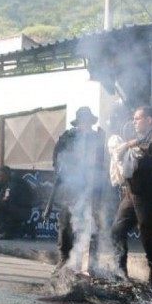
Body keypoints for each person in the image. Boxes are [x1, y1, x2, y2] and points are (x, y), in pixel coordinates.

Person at [109, 106, 152, 286]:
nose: (134, 122)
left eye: (138, 118)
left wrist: (134, 144)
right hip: (131, 192)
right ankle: (121, 271)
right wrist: (131, 143)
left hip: (147, 193)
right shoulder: (138, 139)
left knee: (147, 232)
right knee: (117, 230)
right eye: (134, 119)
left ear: (149, 120)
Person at [53, 106, 108, 269]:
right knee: (66, 223)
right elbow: (57, 157)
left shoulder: (98, 138)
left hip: (93, 186)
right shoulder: (68, 137)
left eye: (87, 121)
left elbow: (103, 162)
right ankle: (64, 258)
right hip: (71, 186)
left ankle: (91, 263)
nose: (84, 124)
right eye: (82, 121)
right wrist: (64, 172)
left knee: (93, 224)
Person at [0, 165, 33, 240]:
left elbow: (7, 199)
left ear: (6, 175)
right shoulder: (11, 181)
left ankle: (7, 232)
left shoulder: (13, 183)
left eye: (0, 176)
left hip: (22, 211)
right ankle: (6, 230)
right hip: (20, 209)